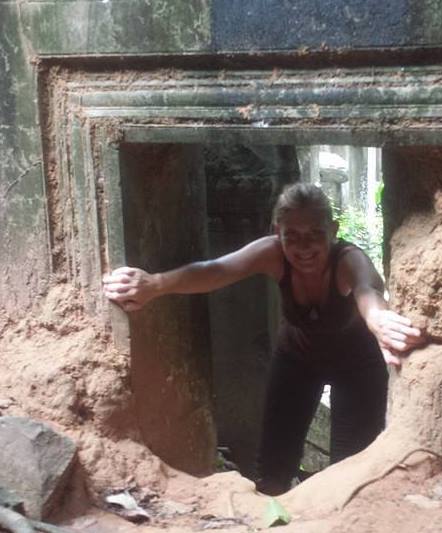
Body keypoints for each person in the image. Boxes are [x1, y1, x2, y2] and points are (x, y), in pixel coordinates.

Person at [103, 183, 422, 495]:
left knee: (350, 467)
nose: (304, 247)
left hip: (357, 368)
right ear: (277, 232)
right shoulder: (272, 253)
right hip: (298, 360)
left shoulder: (347, 259)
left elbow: (368, 287)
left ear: (333, 230)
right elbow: (216, 270)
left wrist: (377, 318)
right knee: (272, 468)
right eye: (292, 236)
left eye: (315, 234)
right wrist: (155, 284)